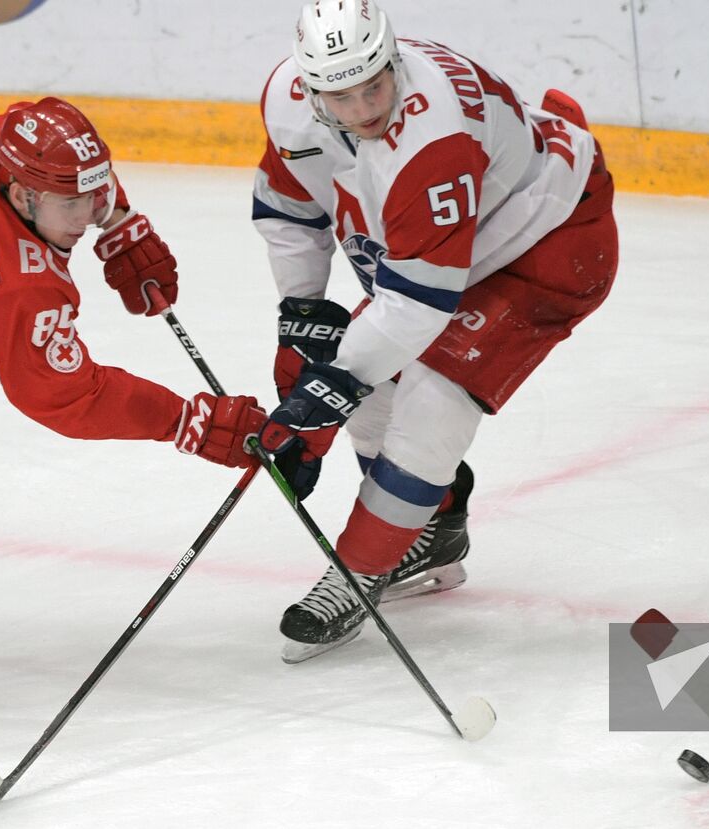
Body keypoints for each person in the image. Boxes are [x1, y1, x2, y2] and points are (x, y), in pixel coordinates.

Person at [252, 0, 618, 660]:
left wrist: (323, 395)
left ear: (394, 61)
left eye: (375, 86)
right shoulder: (287, 102)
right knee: (363, 383)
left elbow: (420, 309)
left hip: (548, 242)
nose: (363, 109)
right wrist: (301, 320)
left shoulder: (433, 137)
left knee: (430, 396)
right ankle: (430, 529)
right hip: (458, 249)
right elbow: (289, 203)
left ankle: (358, 574)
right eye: (342, 94)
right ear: (309, 89)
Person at [0, 97, 267, 537]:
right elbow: (69, 397)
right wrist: (187, 420)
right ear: (21, 194)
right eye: (71, 203)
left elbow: (76, 164)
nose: (86, 214)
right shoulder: (16, 286)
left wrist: (117, 220)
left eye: (94, 197)